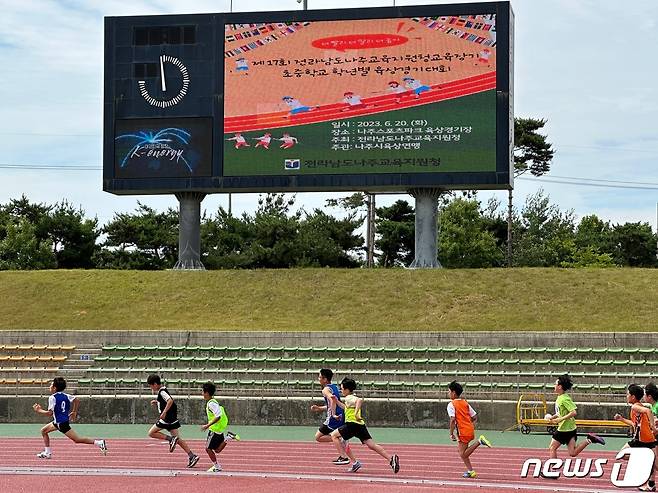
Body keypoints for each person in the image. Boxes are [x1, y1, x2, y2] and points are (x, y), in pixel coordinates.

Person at [329, 377, 400, 474]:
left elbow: (359, 401)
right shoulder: (348, 399)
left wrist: (356, 413)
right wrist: (336, 401)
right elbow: (346, 407)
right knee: (371, 445)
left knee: (334, 435)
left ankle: (343, 457)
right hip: (360, 425)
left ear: (347, 389)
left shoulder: (349, 397)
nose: (341, 391)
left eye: (342, 389)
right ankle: (391, 459)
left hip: (352, 424)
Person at [542, 374, 605, 478]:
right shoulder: (560, 398)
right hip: (571, 428)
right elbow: (560, 413)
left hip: (564, 429)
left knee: (552, 448)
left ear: (560, 386)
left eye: (555, 384)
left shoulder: (564, 399)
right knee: (572, 453)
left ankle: (553, 472)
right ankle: (590, 439)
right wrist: (553, 417)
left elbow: (573, 412)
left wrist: (560, 420)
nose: (554, 385)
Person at [32, 377, 107, 459]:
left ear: (54, 388)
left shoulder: (52, 398)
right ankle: (47, 452)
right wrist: (74, 412)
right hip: (59, 422)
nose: (49, 386)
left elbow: (50, 413)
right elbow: (77, 400)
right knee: (43, 431)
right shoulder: (66, 396)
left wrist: (39, 410)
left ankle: (99, 442)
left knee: (77, 439)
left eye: (51, 385)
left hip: (61, 424)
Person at [146, 374, 199, 468]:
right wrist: (157, 402)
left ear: (155, 384)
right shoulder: (162, 391)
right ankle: (192, 456)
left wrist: (164, 412)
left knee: (151, 433)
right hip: (172, 420)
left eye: (150, 385)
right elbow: (166, 401)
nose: (151, 388)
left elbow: (170, 401)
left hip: (166, 420)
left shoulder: (162, 392)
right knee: (178, 439)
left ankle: (171, 439)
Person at [615, 384, 657, 492]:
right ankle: (651, 483)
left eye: (628, 394)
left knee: (655, 465)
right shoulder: (635, 407)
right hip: (640, 440)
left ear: (633, 397)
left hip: (646, 439)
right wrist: (622, 419)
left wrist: (652, 426)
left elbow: (648, 411)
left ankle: (649, 480)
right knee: (622, 455)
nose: (626, 396)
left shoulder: (635, 406)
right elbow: (634, 424)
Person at [447, 381, 492, 478]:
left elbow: (452, 420)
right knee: (460, 451)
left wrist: (451, 433)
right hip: (469, 429)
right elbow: (474, 416)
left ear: (454, 393)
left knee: (463, 454)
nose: (448, 393)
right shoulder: (465, 403)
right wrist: (467, 422)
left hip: (463, 432)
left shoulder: (451, 405)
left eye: (449, 391)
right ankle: (471, 471)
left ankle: (479, 442)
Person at [310, 368, 349, 465]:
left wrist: (333, 414)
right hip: (341, 414)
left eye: (319, 377)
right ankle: (339, 440)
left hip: (333, 418)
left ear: (325, 379)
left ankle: (343, 456)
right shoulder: (334, 387)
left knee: (318, 437)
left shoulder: (325, 389)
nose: (318, 379)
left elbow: (332, 399)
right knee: (331, 435)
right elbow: (331, 403)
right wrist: (319, 408)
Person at [201, 382, 240, 472]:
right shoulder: (214, 402)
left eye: (203, 392)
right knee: (217, 450)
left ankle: (217, 467)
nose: (202, 394)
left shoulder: (211, 404)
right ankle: (228, 437)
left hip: (214, 429)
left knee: (208, 449)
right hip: (219, 429)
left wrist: (207, 425)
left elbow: (218, 416)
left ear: (206, 393)